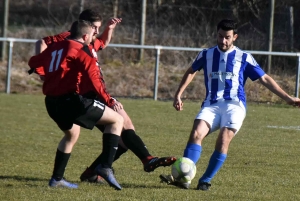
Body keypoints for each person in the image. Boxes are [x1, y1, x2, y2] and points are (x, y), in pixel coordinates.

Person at [35, 8, 176, 184]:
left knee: (110, 136)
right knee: (120, 124)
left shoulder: (87, 42)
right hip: (83, 96)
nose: (96, 31)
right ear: (84, 27)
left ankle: (85, 173)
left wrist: (109, 29)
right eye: (95, 28)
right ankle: (143, 160)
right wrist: (43, 71)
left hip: (69, 98)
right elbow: (43, 43)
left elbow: (102, 42)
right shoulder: (72, 40)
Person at [159, 19, 300, 190]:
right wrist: (178, 94)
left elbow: (264, 78)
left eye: (227, 37)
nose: (223, 41)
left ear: (235, 37)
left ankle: (205, 180)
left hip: (235, 106)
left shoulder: (244, 57)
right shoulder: (206, 54)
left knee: (224, 138)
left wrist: (287, 98)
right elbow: (191, 71)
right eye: (220, 36)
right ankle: (184, 177)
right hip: (211, 104)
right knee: (196, 133)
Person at [28, 20, 124, 190]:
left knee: (71, 135)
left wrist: (44, 74)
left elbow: (34, 62)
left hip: (51, 103)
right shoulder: (81, 50)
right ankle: (105, 167)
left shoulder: (55, 47)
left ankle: (57, 179)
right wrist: (110, 101)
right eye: (92, 35)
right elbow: (96, 80)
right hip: (70, 102)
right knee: (116, 120)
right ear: (86, 36)